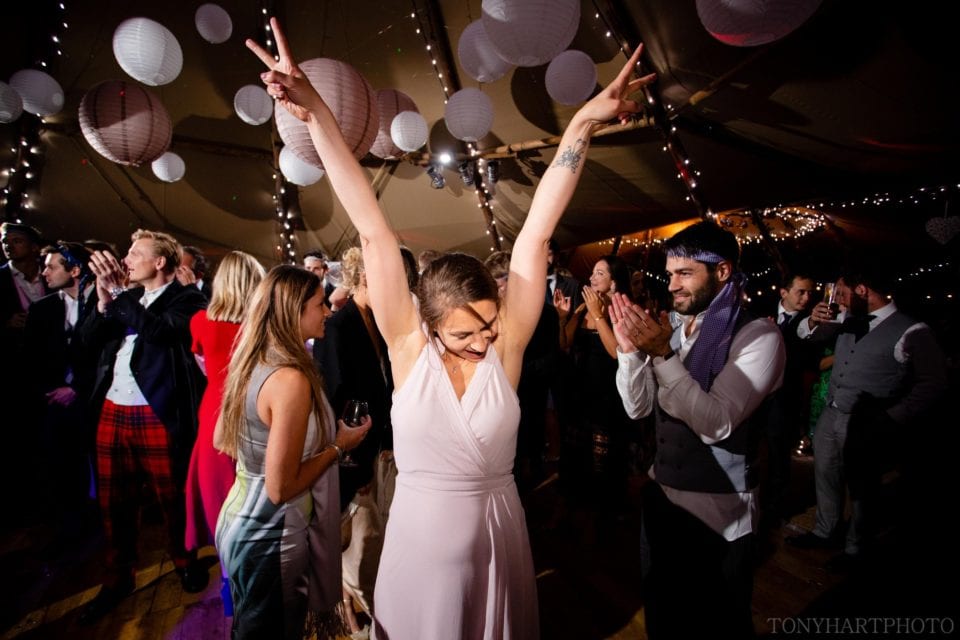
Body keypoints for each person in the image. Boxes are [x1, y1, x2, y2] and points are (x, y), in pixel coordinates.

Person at [248, 17, 655, 638]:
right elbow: (371, 226)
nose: (483, 341)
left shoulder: (508, 345)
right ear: (429, 323)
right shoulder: (407, 345)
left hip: (500, 540)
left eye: (490, 326)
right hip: (419, 545)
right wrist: (316, 116)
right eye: (465, 334)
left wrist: (581, 125)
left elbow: (538, 230)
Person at [611, 221, 785, 638]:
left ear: (722, 272)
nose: (672, 285)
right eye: (670, 274)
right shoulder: (669, 328)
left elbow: (716, 423)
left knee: (715, 623)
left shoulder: (758, 336)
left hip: (717, 513)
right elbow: (637, 410)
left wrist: (663, 355)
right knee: (663, 615)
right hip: (661, 496)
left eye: (684, 273)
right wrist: (630, 354)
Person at [214, 265, 370, 639]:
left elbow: (223, 438)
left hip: (240, 517)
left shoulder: (253, 358)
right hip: (271, 532)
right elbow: (280, 488)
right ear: (293, 311)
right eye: (320, 304)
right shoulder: (290, 379)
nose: (329, 311)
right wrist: (338, 446)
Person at [78, 229, 209, 623]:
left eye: (136, 253)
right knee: (113, 501)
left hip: (156, 410)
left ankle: (184, 560)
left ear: (160, 263)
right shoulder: (126, 297)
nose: (126, 260)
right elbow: (87, 341)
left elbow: (161, 332)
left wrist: (118, 296)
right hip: (113, 409)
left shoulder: (189, 298)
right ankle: (118, 577)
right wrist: (102, 303)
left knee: (171, 497)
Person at [785, 259, 948, 571]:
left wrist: (893, 417)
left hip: (867, 420)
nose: (838, 298)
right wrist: (812, 321)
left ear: (862, 290)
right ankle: (824, 531)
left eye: (843, 292)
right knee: (826, 475)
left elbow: (934, 383)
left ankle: (857, 549)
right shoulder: (847, 317)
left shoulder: (913, 330)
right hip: (831, 413)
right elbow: (807, 338)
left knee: (862, 487)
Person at [183, 250, 265, 614]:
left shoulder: (200, 322)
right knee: (257, 502)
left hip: (214, 414)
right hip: (255, 414)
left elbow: (204, 367)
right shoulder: (263, 324)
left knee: (222, 506)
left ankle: (232, 590)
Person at [761, 271, 818, 527]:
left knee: (779, 457)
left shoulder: (811, 322)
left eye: (810, 293)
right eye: (801, 292)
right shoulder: (759, 312)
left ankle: (774, 510)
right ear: (784, 292)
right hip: (754, 397)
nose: (806, 298)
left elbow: (809, 355)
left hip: (785, 401)